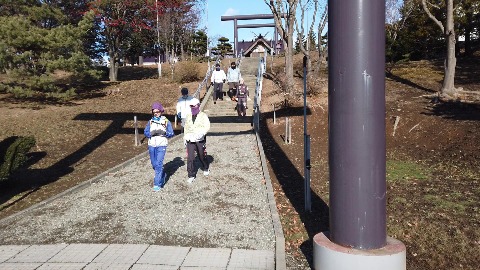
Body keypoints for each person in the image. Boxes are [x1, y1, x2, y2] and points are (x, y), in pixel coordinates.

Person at [144, 102, 175, 191]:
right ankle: (162, 174)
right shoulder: (150, 122)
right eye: (154, 112)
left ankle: (157, 183)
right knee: (154, 164)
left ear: (161, 111)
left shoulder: (166, 121)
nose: (156, 113)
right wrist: (151, 134)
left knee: (158, 164)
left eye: (157, 112)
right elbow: (146, 132)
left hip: (162, 144)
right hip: (152, 145)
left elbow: (171, 133)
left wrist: (164, 133)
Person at [183, 98, 210, 183]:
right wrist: (185, 137)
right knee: (190, 157)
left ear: (198, 105)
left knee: (201, 155)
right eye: (191, 106)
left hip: (199, 139)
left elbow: (207, 126)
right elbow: (186, 127)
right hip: (190, 139)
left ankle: (205, 167)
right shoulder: (188, 116)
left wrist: (202, 133)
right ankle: (191, 174)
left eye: (194, 106)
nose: (192, 108)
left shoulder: (203, 115)